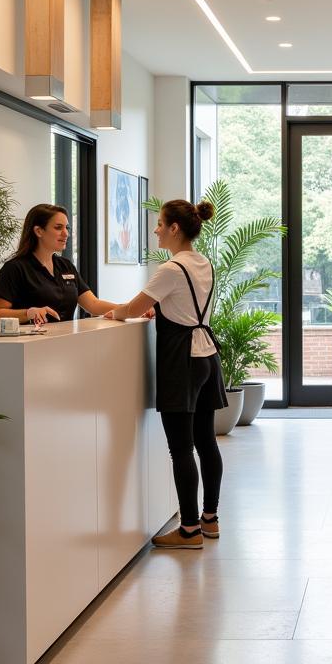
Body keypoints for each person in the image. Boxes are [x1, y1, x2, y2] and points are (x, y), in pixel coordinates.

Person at [106, 199, 227, 550]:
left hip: (182, 361)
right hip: (207, 355)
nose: (156, 229)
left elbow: (131, 308)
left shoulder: (171, 269)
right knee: (206, 442)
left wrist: (113, 314)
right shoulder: (203, 263)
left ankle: (188, 530)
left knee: (181, 448)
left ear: (175, 228)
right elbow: (183, 307)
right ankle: (210, 519)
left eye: (160, 223)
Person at [0, 203, 119, 324]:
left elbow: (93, 305)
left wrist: (126, 309)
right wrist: (28, 313)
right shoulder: (15, 268)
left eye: (66, 228)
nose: (66, 233)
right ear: (39, 231)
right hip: (31, 343)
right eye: (58, 228)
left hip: (64, 340)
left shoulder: (66, 266)